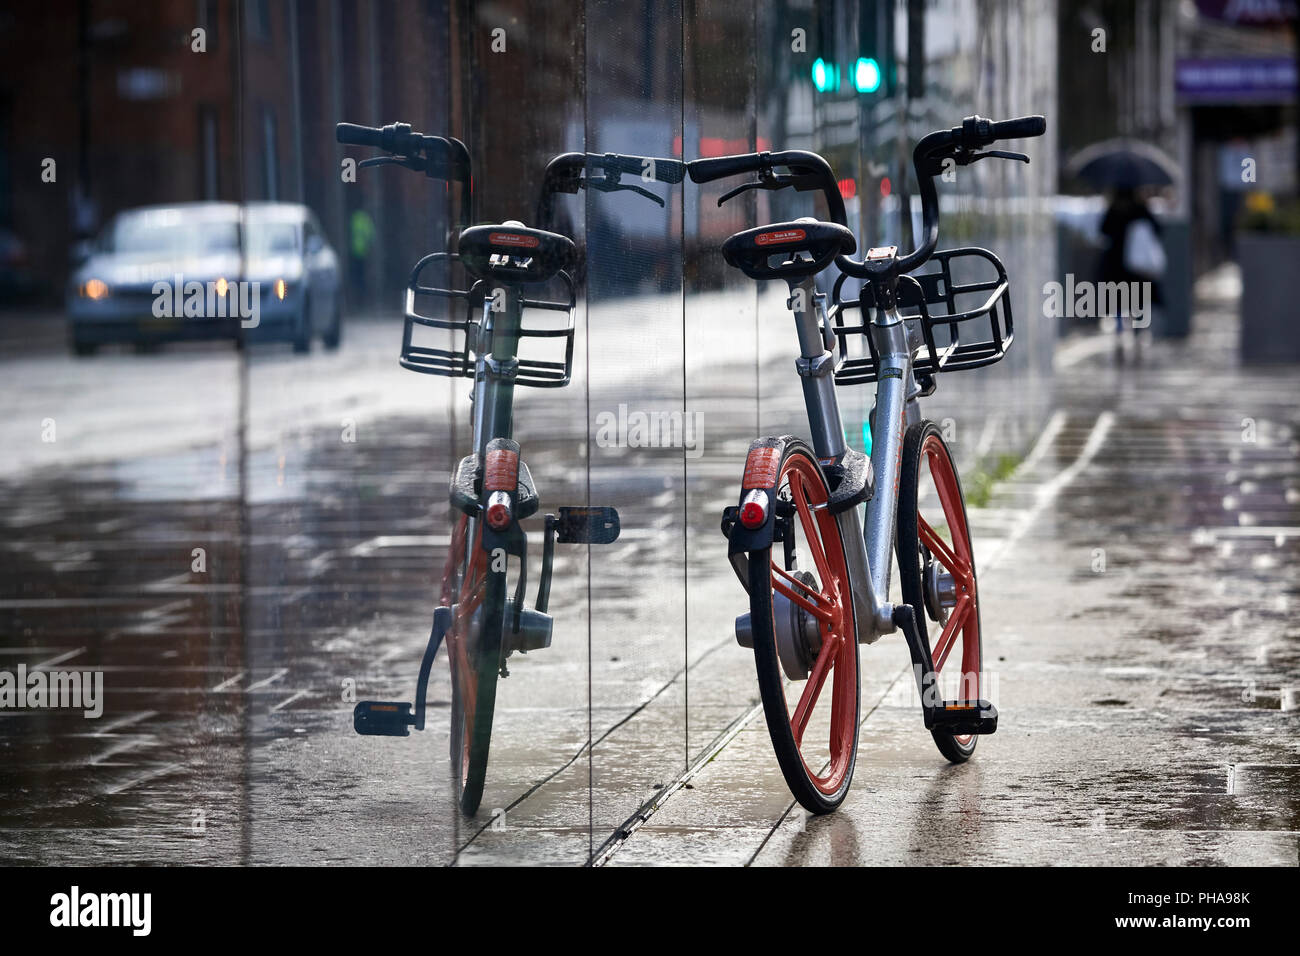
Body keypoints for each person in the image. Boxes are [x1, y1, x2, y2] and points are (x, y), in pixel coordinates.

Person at [1097, 186, 1163, 339]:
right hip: (1135, 267)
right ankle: (1137, 329)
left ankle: (1120, 328)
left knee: (1117, 298)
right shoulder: (1141, 209)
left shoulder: (1114, 209)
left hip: (1116, 264)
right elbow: (1158, 228)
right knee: (1137, 298)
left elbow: (1103, 230)